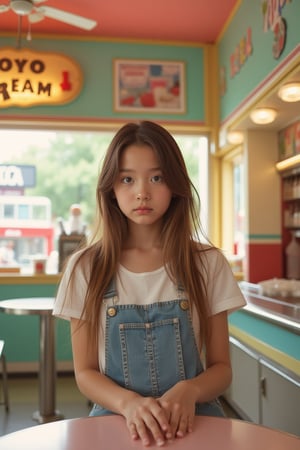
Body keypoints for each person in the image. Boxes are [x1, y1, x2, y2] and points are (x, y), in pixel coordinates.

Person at [53, 121, 246, 447]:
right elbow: (85, 373)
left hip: (194, 417)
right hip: (116, 417)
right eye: (127, 179)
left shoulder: (207, 262)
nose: (142, 191)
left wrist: (191, 389)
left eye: (157, 178)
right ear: (110, 188)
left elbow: (221, 368)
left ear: (175, 185)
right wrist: (129, 403)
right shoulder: (85, 267)